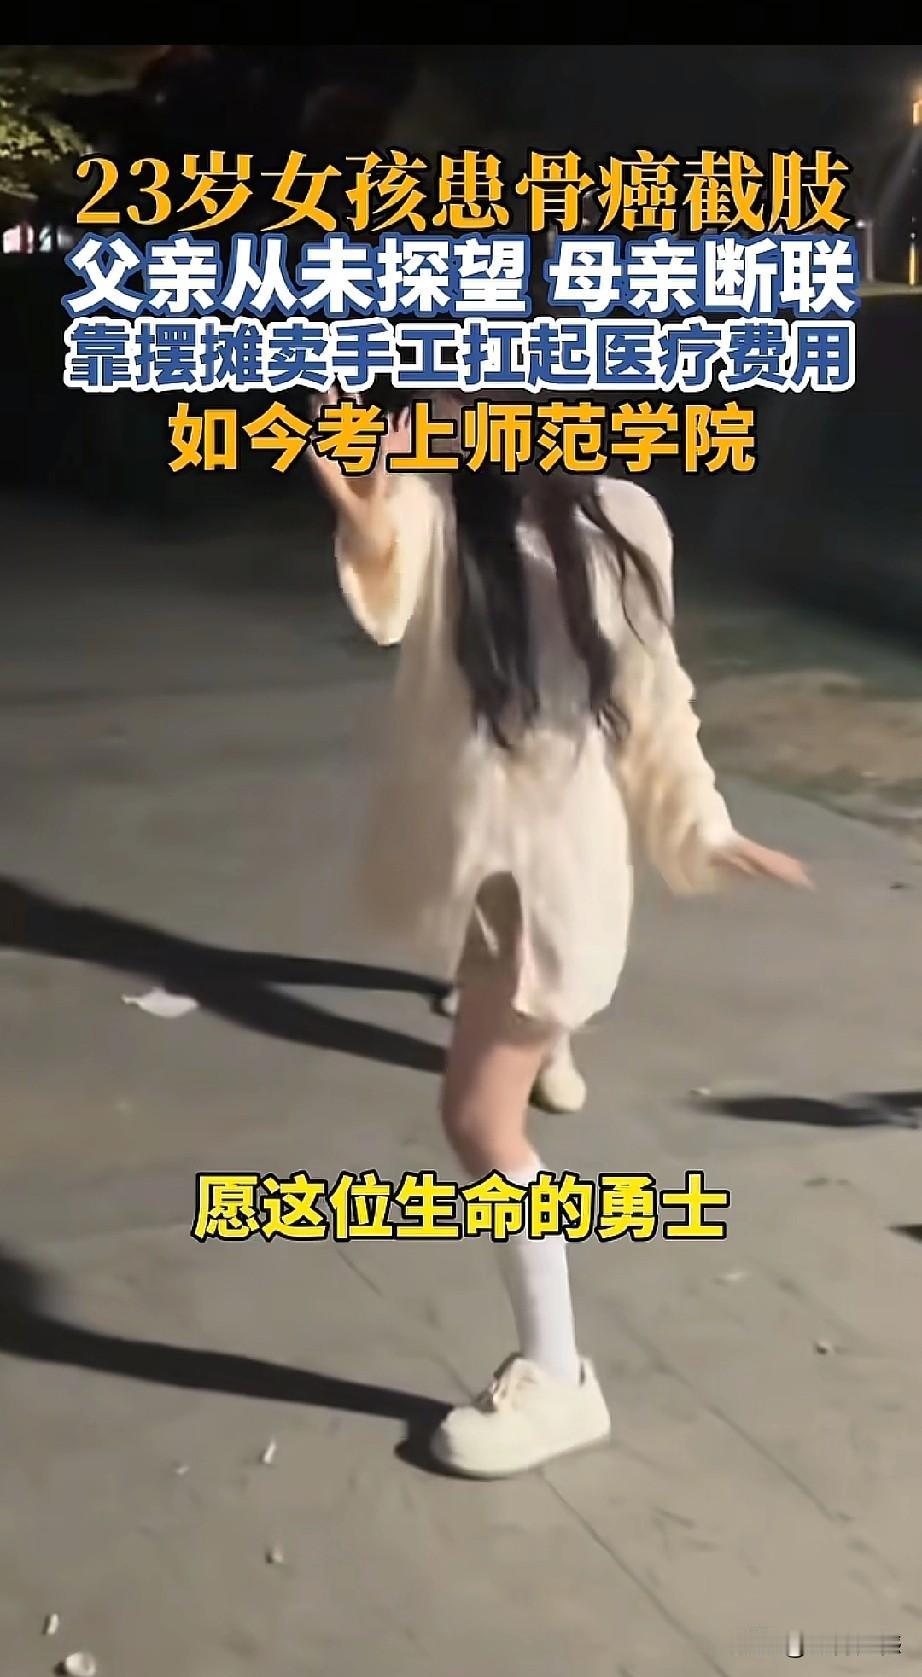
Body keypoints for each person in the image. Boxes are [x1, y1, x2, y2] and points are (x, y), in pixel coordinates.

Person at [309, 396, 809, 1478]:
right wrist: (368, 510)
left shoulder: (622, 518)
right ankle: (555, 1356)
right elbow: (390, 585)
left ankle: (559, 1375)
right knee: (483, 1107)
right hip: (476, 866)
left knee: (479, 1120)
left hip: (556, 879)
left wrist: (705, 825)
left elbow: (653, 699)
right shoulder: (448, 511)